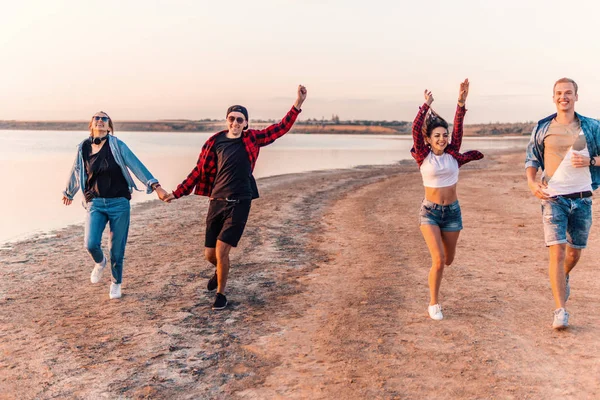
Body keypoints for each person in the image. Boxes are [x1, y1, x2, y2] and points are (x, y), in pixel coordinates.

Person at [163, 85, 308, 310]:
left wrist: (297, 103)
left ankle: (221, 295)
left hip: (241, 202)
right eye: (232, 118)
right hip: (217, 201)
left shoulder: (253, 140)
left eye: (240, 120)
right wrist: (176, 193)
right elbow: (198, 171)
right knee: (210, 254)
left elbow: (280, 128)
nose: (236, 123)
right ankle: (220, 270)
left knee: (222, 251)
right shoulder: (215, 142)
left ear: (246, 123)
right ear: (227, 120)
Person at [63, 111, 169, 299]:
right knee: (90, 243)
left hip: (119, 203)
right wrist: (69, 191)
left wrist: (155, 186)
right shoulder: (83, 147)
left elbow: (136, 165)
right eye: (97, 118)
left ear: (109, 126)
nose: (101, 121)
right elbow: (77, 169)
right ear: (91, 124)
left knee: (117, 248)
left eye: (105, 119)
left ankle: (116, 282)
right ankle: (100, 261)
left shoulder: (118, 145)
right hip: (95, 202)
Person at [525, 77, 600, 330]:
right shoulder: (543, 127)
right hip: (552, 198)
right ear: (553, 97)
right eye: (559, 93)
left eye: (568, 93)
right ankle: (560, 310)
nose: (563, 97)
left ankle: (565, 275)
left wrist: (591, 162)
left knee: (573, 252)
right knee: (556, 252)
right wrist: (532, 183)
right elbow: (531, 159)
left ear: (576, 96)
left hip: (582, 199)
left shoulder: (591, 127)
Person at [411, 79, 483, 320]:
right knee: (439, 260)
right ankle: (434, 303)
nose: (442, 138)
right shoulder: (423, 156)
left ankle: (436, 278)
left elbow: (459, 127)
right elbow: (415, 129)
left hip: (452, 213)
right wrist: (425, 105)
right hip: (429, 213)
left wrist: (461, 102)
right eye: (437, 136)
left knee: (449, 260)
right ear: (429, 140)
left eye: (445, 135)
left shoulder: (453, 155)